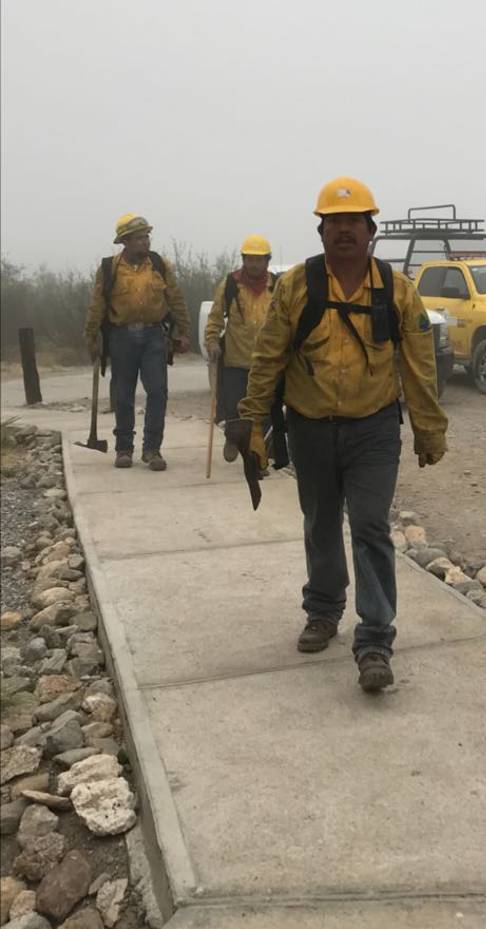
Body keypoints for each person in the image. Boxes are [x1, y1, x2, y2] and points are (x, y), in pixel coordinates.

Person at [234, 177, 448, 693]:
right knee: (321, 520)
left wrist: (428, 427)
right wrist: (252, 420)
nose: (345, 231)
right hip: (309, 426)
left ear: (371, 230)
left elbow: (419, 364)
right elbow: (269, 356)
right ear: (322, 230)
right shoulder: (297, 286)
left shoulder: (397, 290)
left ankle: (374, 638)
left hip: (373, 426)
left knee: (371, 525)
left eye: (355, 222)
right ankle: (324, 609)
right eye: (335, 223)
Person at [84, 214, 191, 470]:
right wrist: (91, 338)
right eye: (139, 238)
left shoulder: (159, 265)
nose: (145, 242)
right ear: (125, 241)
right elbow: (97, 305)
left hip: (155, 336)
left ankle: (152, 449)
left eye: (147, 237)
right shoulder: (109, 268)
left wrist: (185, 332)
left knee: (157, 392)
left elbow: (176, 299)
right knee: (123, 395)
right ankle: (124, 449)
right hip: (121, 337)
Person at [204, 235, 276, 461]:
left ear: (267, 260)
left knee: (265, 409)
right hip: (236, 358)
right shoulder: (230, 284)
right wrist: (212, 341)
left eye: (259, 259)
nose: (254, 264)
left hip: (267, 361)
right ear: (243, 259)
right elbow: (215, 318)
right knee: (234, 405)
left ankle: (260, 451)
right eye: (250, 259)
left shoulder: (277, 286)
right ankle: (233, 439)